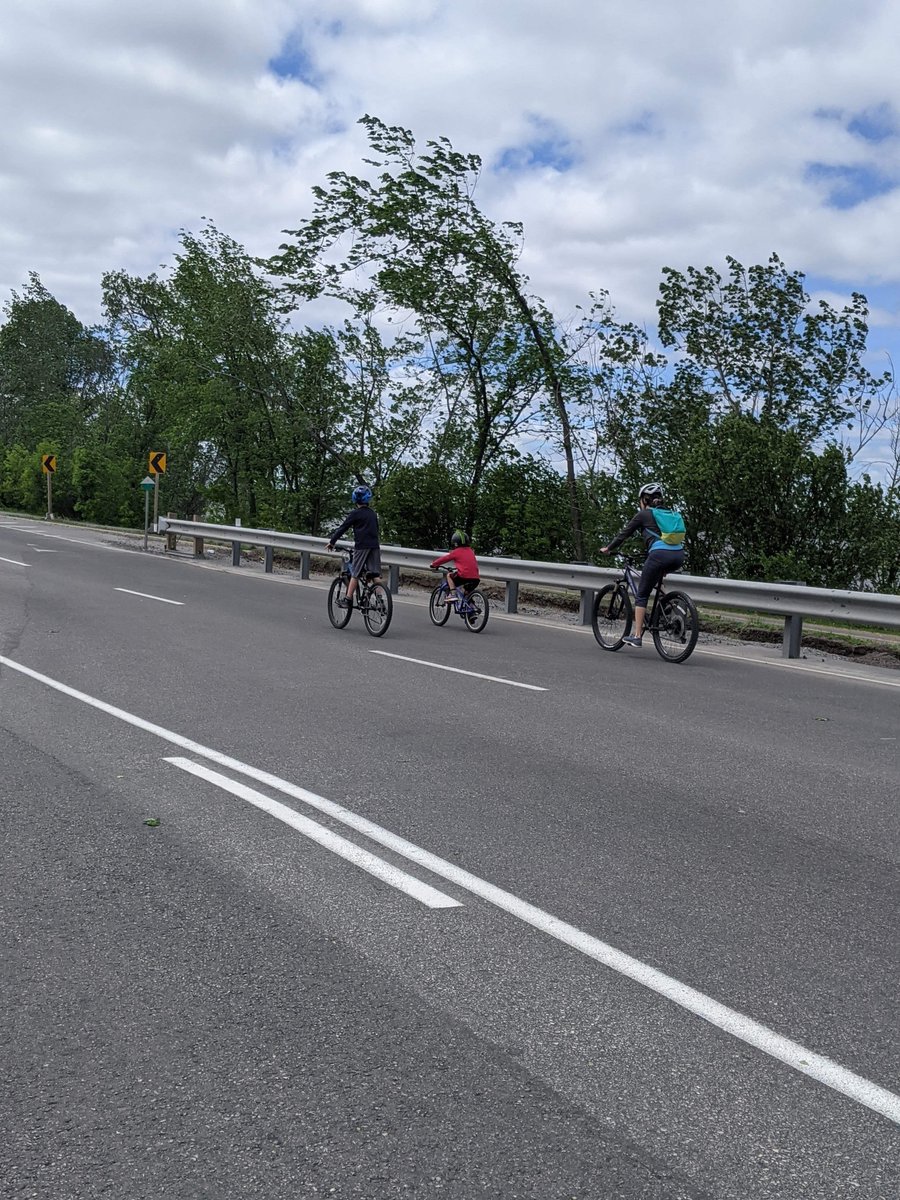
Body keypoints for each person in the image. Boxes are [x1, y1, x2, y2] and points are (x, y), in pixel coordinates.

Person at [600, 482, 685, 648]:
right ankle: (669, 607)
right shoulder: (669, 514)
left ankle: (637, 636)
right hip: (678, 555)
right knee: (656, 579)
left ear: (644, 500)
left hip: (659, 555)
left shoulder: (644, 514)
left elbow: (624, 534)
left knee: (642, 595)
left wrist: (608, 548)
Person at [326, 485, 381, 609]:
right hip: (374, 546)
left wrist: (332, 542)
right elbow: (376, 529)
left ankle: (348, 599)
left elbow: (343, 528)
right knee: (374, 574)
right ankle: (381, 601)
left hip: (361, 546)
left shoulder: (355, 514)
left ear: (355, 499)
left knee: (355, 573)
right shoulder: (373, 514)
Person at [430, 530, 480, 605]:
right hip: (476, 578)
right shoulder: (471, 551)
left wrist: (433, 564)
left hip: (463, 576)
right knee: (466, 593)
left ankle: (453, 594)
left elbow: (445, 559)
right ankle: (472, 608)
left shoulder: (456, 552)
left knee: (449, 575)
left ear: (455, 543)